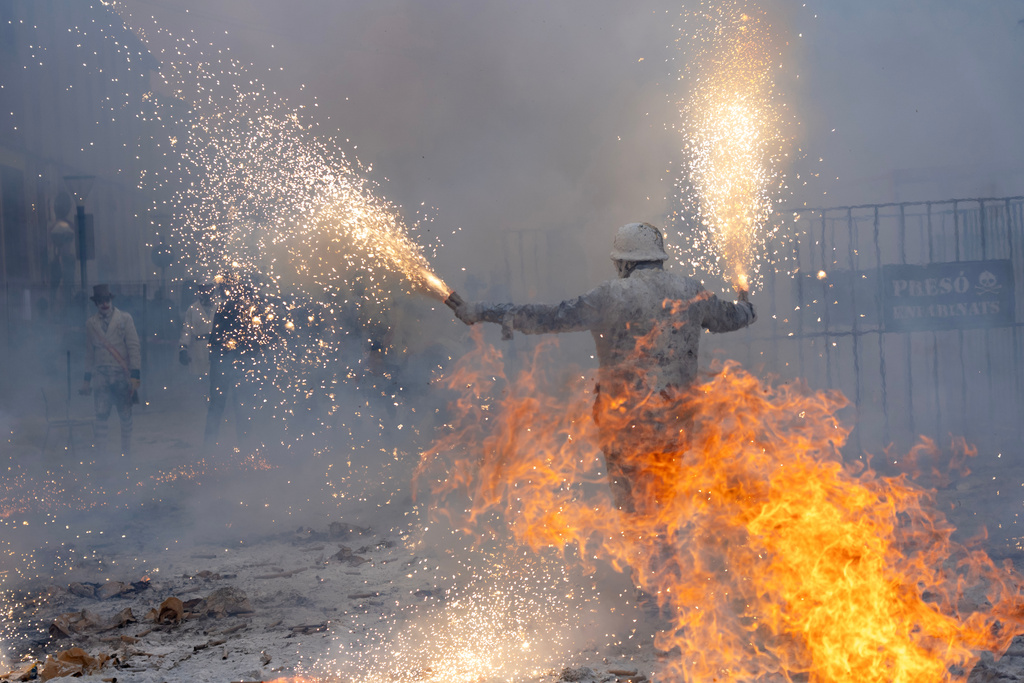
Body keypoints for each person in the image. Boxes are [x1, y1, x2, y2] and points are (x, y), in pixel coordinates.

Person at [452, 222, 756, 513]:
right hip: (674, 426)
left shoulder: (611, 295)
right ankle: (663, 556)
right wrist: (744, 300)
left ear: (623, 263)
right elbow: (734, 317)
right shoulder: (691, 291)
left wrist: (482, 311)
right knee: (664, 507)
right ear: (658, 258)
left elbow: (548, 318)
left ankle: (646, 557)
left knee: (633, 511)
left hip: (624, 428)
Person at [80, 284, 141, 456]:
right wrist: (86, 381)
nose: (104, 304)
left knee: (125, 416)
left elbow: (133, 347)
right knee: (101, 416)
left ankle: (126, 454)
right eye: (100, 301)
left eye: (106, 300)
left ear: (111, 300)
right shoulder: (90, 324)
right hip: (101, 377)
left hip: (121, 375)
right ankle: (101, 456)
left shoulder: (125, 319)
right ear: (96, 303)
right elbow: (89, 354)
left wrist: (135, 375)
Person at [178, 283, 217, 377]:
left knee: (217, 378)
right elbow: (186, 331)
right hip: (198, 349)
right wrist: (183, 348)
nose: (206, 291)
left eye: (208, 288)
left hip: (217, 347)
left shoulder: (221, 305)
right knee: (199, 379)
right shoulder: (192, 309)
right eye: (203, 288)